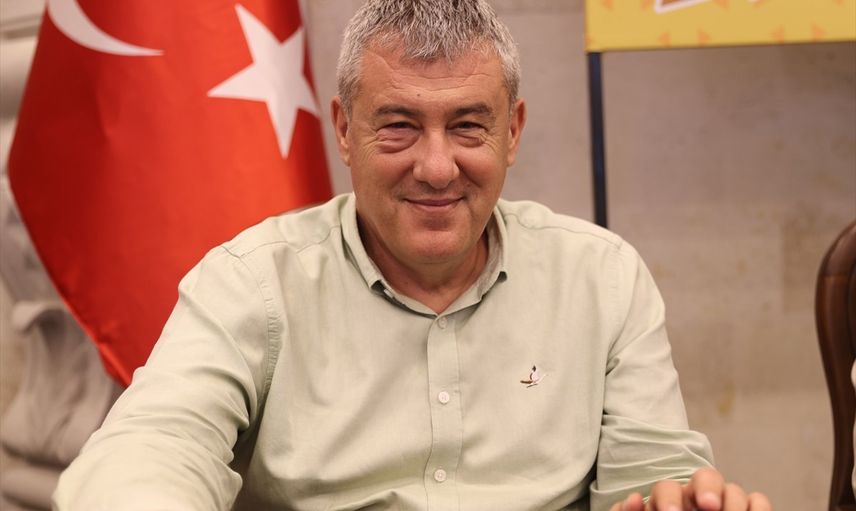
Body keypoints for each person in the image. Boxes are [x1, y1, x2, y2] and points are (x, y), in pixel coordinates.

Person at [53, 1, 772, 510]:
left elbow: (653, 478)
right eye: (398, 125)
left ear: (513, 132)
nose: (435, 167)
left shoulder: (602, 278)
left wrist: (682, 500)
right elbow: (152, 446)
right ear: (344, 130)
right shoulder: (252, 283)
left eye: (468, 126)